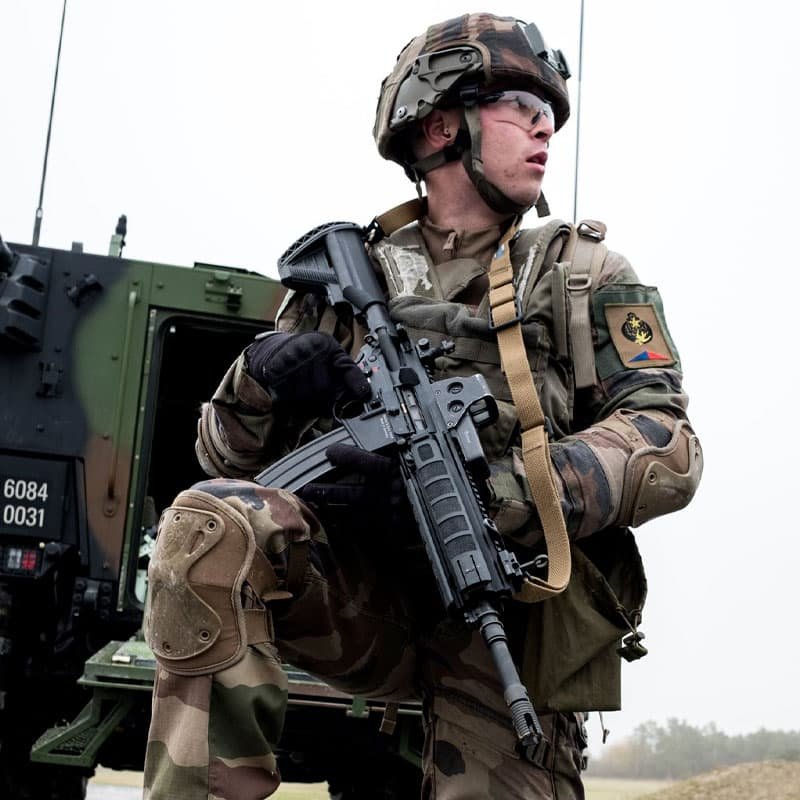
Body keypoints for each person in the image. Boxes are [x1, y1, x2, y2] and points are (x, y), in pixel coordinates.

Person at [142, 12, 703, 800]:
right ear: (441, 125)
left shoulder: (581, 274)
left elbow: (668, 442)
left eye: (551, 116)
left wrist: (501, 492)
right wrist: (258, 380)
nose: (546, 130)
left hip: (504, 609)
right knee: (206, 526)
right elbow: (221, 460)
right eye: (523, 108)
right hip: (360, 597)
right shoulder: (349, 277)